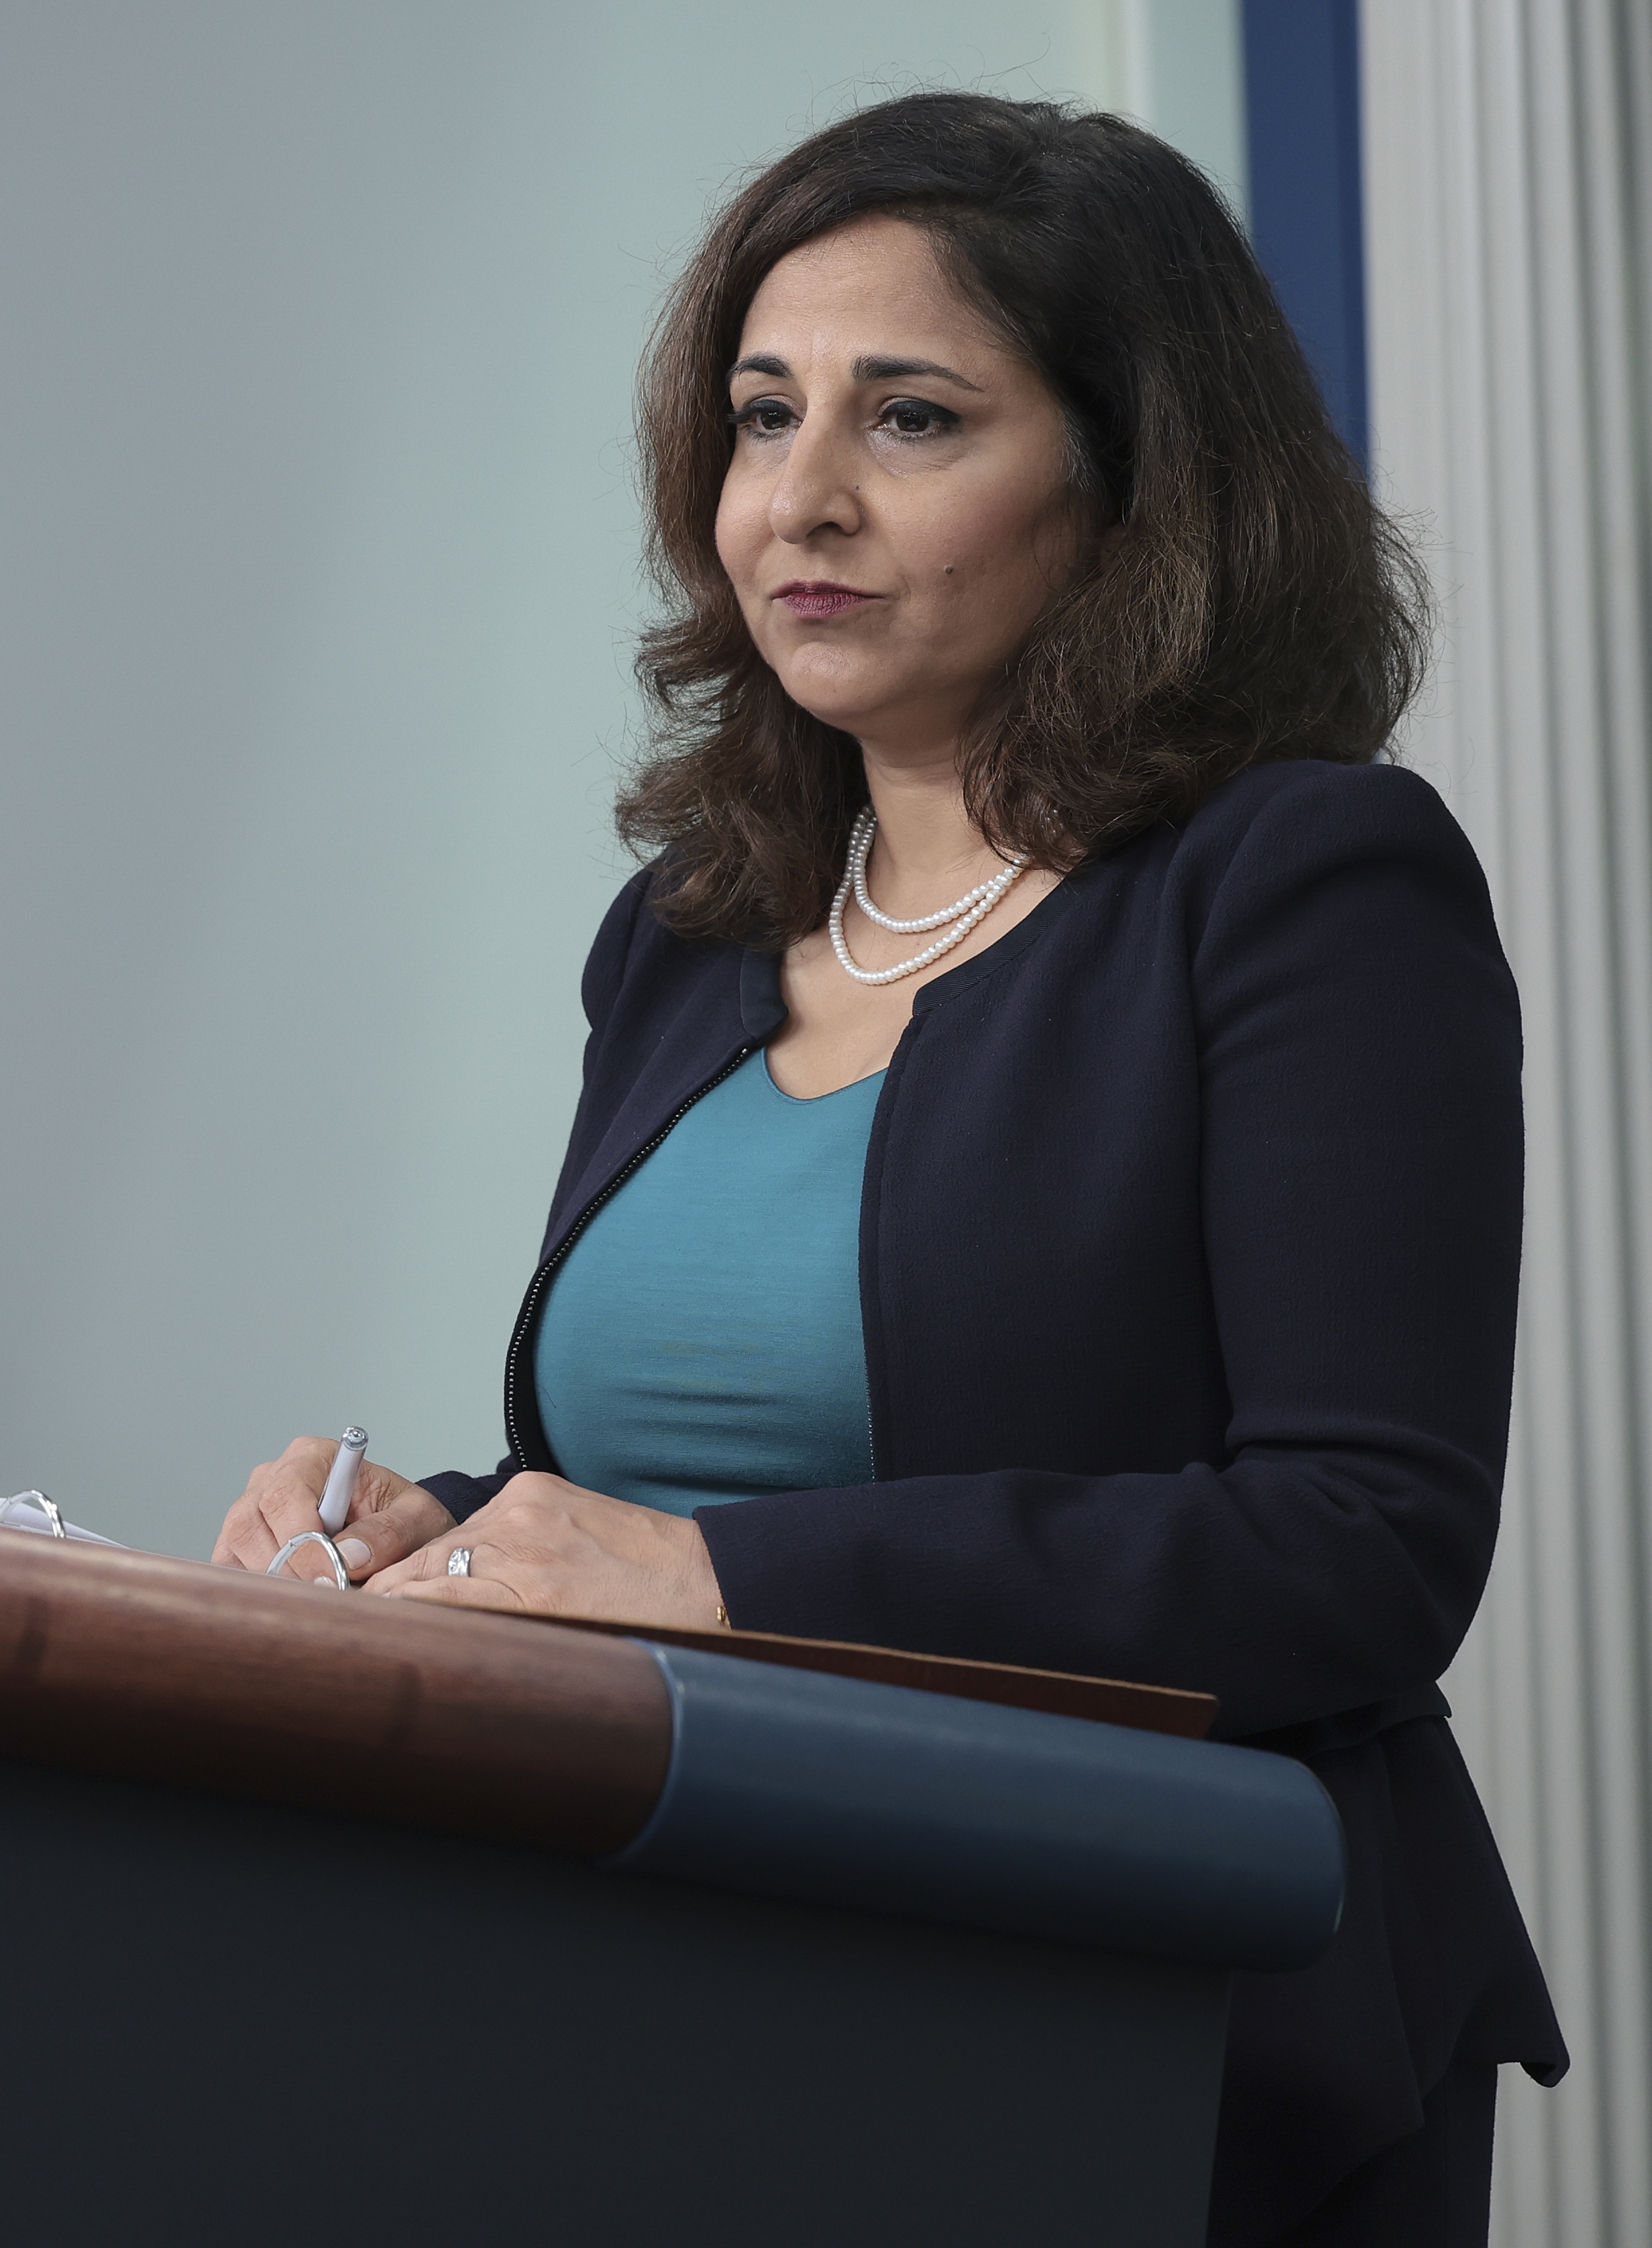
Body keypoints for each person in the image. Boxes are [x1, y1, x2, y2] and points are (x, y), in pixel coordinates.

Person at [214, 94, 1561, 2247]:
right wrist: (438, 1531)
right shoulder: (685, 932)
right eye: (761, 418)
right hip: (679, 1984)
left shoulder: (1301, 884)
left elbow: (1352, 1545)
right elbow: (703, 1484)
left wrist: (696, 1585)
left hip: (1133, 2034)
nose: (798, 503)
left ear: (1132, 491)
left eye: (911, 418)